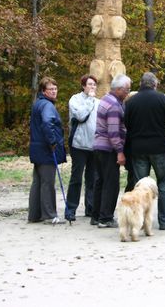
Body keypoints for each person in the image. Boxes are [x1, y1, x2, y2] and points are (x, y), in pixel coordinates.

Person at [124, 72, 165, 230]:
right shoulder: (162, 99)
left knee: (140, 186)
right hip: (159, 148)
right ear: (154, 84)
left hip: (138, 149)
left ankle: (140, 221)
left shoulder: (131, 102)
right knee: (163, 185)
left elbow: (126, 123)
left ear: (141, 84)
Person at [91, 74, 131, 228]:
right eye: (127, 90)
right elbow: (113, 132)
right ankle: (106, 218)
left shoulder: (105, 99)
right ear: (119, 89)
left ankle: (96, 215)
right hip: (109, 149)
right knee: (111, 184)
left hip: (98, 147)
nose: (128, 92)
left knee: (100, 182)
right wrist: (120, 151)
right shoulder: (114, 105)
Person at [28, 76, 66, 224]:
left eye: (55, 89)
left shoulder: (38, 103)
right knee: (47, 183)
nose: (54, 91)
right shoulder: (47, 106)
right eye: (51, 89)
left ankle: (34, 215)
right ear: (43, 91)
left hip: (37, 148)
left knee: (38, 182)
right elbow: (46, 122)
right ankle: (49, 215)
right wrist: (52, 141)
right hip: (46, 149)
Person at [65, 75, 100, 222]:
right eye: (89, 84)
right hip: (79, 145)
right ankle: (71, 209)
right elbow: (80, 116)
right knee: (76, 178)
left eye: (94, 85)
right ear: (83, 86)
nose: (92, 87)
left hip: (94, 146)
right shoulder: (75, 100)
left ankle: (90, 208)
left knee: (92, 178)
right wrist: (90, 100)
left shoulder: (99, 102)